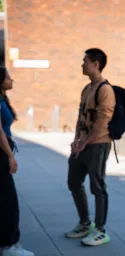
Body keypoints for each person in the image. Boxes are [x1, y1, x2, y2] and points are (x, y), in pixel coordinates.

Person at [64, 48, 115, 246]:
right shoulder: (87, 89)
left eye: (85, 60)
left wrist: (84, 142)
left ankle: (100, 230)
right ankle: (85, 223)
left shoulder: (105, 89)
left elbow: (103, 122)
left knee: (98, 187)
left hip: (98, 145)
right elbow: (81, 117)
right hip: (83, 146)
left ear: (95, 63)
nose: (82, 64)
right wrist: (76, 140)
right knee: (73, 182)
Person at [0, 67, 35, 256]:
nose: (11, 80)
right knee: (8, 201)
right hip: (1, 155)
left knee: (5, 199)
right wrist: (10, 156)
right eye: (8, 77)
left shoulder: (2, 98)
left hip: (3, 153)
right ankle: (8, 246)